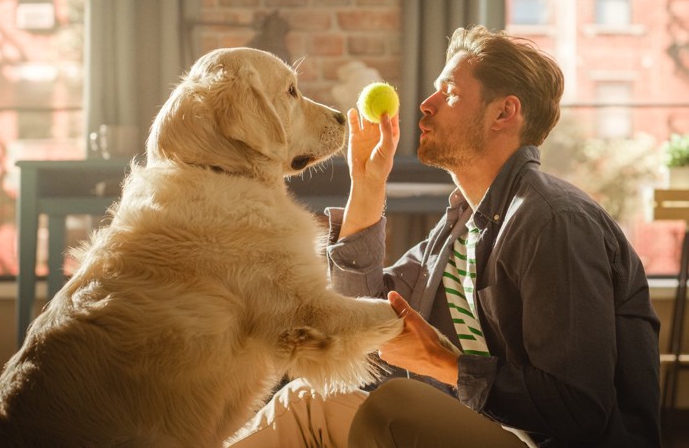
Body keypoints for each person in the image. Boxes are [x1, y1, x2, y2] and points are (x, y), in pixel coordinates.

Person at [227, 25, 661, 447]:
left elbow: (580, 410)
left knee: (394, 403)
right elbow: (356, 319)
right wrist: (367, 182)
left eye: (449, 92)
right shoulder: (464, 224)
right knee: (309, 402)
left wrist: (447, 364)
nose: (426, 104)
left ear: (503, 113)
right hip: (492, 430)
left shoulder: (552, 222)